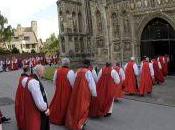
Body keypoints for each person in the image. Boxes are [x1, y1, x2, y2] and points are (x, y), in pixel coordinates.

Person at [65, 59, 97, 130]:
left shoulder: (78, 71)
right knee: (84, 108)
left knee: (76, 107)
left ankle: (76, 122)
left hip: (76, 92)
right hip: (85, 93)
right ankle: (80, 124)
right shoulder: (88, 72)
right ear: (88, 65)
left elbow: (74, 82)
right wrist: (94, 94)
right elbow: (91, 84)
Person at [23, 65, 50, 130]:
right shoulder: (34, 82)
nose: (44, 72)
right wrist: (46, 108)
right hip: (37, 113)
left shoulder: (31, 79)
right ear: (39, 72)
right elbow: (40, 104)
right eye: (43, 71)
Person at [50, 58, 75, 125]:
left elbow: (54, 81)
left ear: (62, 64)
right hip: (67, 92)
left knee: (58, 105)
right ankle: (64, 120)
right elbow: (73, 84)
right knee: (66, 106)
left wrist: (56, 89)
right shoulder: (70, 72)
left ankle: (56, 118)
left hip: (59, 91)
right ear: (68, 64)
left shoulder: (57, 71)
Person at [15, 65, 30, 130]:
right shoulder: (26, 78)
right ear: (28, 70)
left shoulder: (22, 76)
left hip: (20, 94)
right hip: (23, 95)